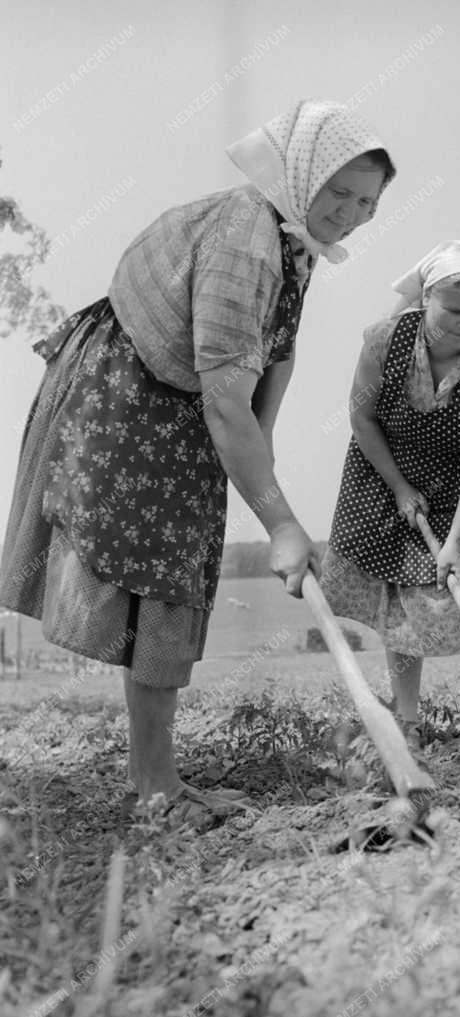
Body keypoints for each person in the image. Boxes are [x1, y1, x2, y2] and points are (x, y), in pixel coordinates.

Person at [0, 100, 395, 828]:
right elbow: (225, 402)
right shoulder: (248, 239)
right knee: (165, 581)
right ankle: (155, 785)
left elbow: (261, 392)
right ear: (301, 171)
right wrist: (279, 520)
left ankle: (154, 775)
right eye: (339, 191)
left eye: (366, 202)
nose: (349, 212)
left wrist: (273, 507)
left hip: (179, 404)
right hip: (128, 389)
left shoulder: (293, 246)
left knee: (175, 581)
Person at [321, 242, 460, 746]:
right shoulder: (384, 340)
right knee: (404, 603)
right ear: (426, 299)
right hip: (388, 465)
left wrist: (454, 541)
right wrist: (398, 486)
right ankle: (408, 720)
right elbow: (361, 417)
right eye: (453, 310)